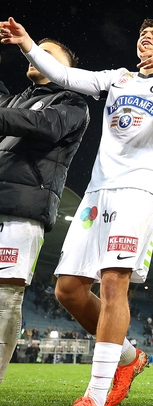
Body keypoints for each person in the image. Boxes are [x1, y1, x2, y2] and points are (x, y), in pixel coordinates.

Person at [1, 17, 153, 406]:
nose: (146, 37)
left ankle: (93, 398)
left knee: (114, 283)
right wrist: (27, 43)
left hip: (139, 192)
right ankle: (129, 358)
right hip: (97, 195)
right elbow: (63, 74)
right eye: (142, 34)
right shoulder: (117, 78)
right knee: (68, 291)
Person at [0, 38, 89, 385]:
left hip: (23, 212)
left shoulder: (72, 104)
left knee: (5, 294)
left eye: (47, 53)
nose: (34, 54)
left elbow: (42, 126)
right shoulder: (16, 100)